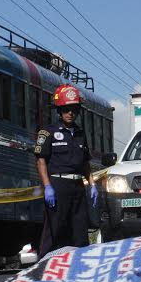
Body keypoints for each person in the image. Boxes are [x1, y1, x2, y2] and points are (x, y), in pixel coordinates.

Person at [34, 84, 98, 258]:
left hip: (77, 186)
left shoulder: (80, 133)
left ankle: (80, 263)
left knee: (80, 230)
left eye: (74, 110)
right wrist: (48, 186)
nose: (70, 113)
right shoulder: (48, 132)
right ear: (59, 111)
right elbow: (41, 161)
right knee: (54, 229)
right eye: (66, 109)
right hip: (58, 185)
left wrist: (92, 185)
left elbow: (85, 163)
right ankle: (44, 264)